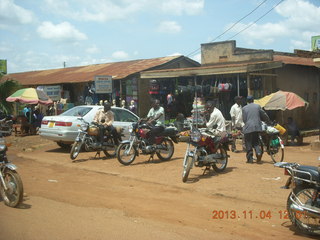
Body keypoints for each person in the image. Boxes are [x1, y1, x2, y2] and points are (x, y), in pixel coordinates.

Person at [242, 96, 270, 164]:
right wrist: (268, 120)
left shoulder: (244, 108)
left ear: (247, 101)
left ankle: (250, 159)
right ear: (253, 100)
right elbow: (264, 114)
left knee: (248, 143)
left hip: (248, 127)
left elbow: (244, 119)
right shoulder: (257, 106)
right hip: (257, 127)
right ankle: (258, 153)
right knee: (256, 142)